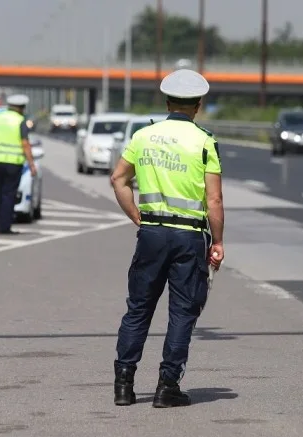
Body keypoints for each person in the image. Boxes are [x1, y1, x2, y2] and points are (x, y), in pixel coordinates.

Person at [109, 69, 225, 408]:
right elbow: (214, 200)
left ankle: (124, 385)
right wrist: (217, 242)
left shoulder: (144, 136)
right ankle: (167, 386)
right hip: (189, 237)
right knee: (182, 312)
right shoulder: (204, 141)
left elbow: (118, 179)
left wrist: (137, 216)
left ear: (167, 102)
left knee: (139, 308)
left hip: (152, 233)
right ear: (198, 105)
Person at [0, 94, 37, 235]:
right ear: (21, 108)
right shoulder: (20, 121)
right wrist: (32, 164)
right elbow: (25, 143)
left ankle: (1, 222)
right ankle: (4, 227)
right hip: (13, 163)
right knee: (9, 194)